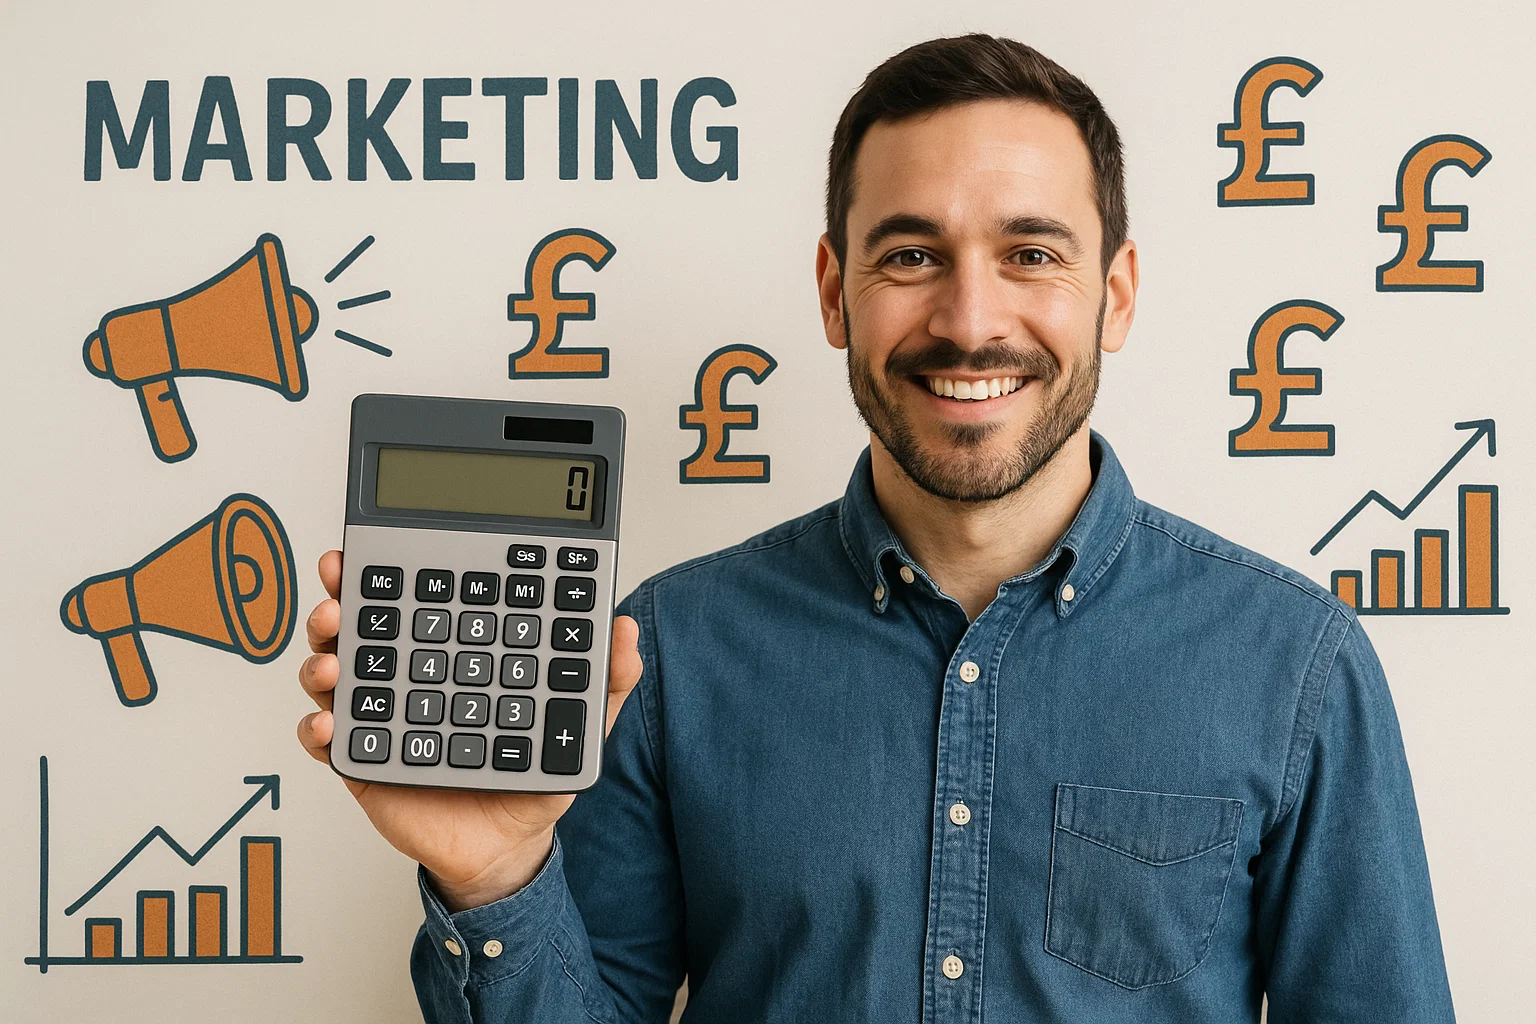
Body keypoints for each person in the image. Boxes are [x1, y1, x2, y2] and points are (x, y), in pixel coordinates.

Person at [296, 34, 1456, 1023]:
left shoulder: (1295, 665)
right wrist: (499, 871)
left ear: (1117, 291)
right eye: (910, 254)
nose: (968, 318)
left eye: (1031, 253)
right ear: (833, 289)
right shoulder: (668, 651)